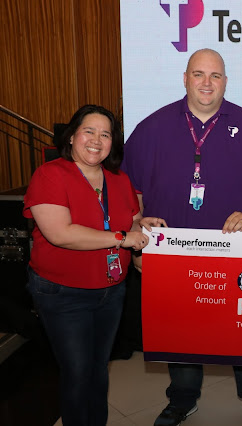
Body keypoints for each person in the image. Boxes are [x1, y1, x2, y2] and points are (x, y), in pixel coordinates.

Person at [121, 49, 242, 426]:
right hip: (174, 260)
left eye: (215, 76)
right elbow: (129, 191)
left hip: (238, 256)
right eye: (199, 74)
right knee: (180, 335)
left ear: (225, 82)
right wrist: (138, 224)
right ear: (185, 78)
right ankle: (182, 400)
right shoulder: (152, 128)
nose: (207, 83)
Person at [23, 104, 164, 426]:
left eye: (106, 134)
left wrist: (142, 225)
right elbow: (61, 234)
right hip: (63, 293)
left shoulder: (119, 179)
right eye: (89, 131)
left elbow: (132, 220)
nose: (97, 140)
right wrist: (122, 238)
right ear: (72, 136)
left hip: (111, 291)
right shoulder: (50, 174)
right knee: (78, 372)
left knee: (99, 369)